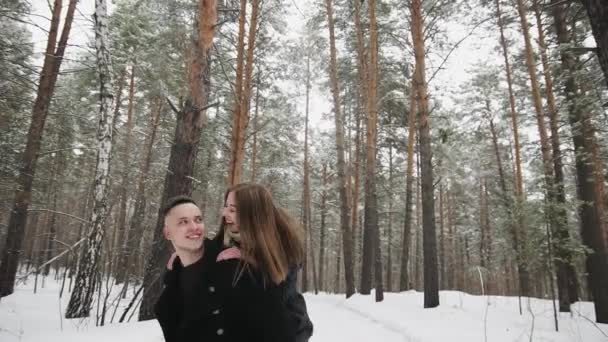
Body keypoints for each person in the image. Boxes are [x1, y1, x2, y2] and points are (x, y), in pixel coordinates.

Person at [155, 185, 313, 342]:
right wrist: (184, 261)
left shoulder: (280, 253)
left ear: (251, 215)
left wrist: (253, 264)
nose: (224, 213)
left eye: (232, 209)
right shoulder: (227, 236)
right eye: (225, 207)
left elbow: (282, 321)